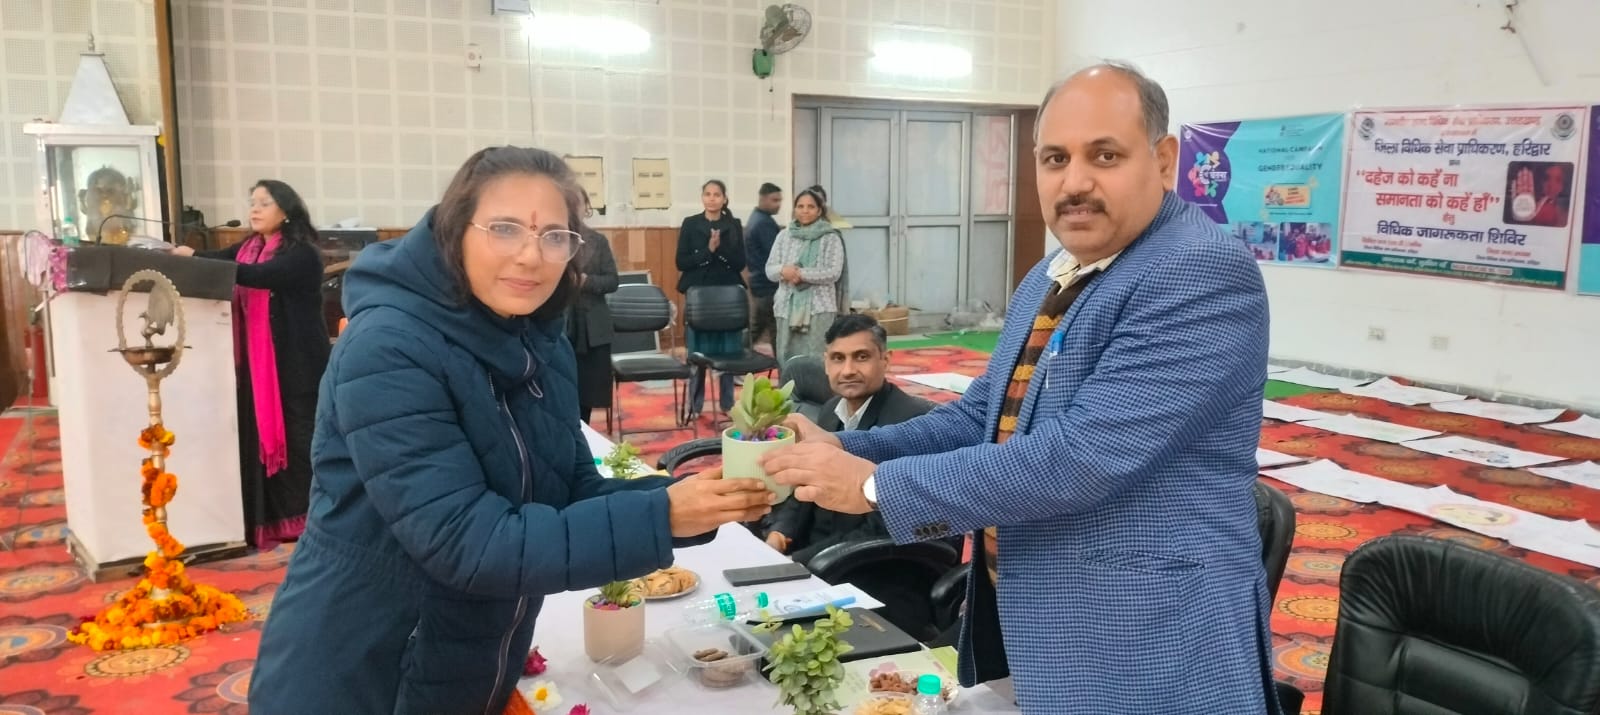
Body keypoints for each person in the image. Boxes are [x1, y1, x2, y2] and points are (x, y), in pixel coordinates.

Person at [760, 62, 1281, 714]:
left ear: (1164, 159)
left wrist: (872, 487)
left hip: (1149, 642)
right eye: (1055, 158)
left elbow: (1080, 457)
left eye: (1105, 155)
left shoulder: (1198, 271)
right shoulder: (1051, 272)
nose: (1075, 181)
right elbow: (982, 415)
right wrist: (845, 447)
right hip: (1038, 619)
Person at [248, 148, 773, 715]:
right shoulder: (388, 348)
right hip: (362, 664)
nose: (530, 256)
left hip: (466, 655)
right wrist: (663, 516)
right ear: (454, 230)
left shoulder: (538, 340)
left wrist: (695, 498)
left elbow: (569, 488)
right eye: (504, 229)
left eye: (554, 236)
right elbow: (469, 543)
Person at [171, 180, 328, 550]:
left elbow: (258, 277)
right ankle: (269, 520)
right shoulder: (249, 248)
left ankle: (312, 519)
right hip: (260, 370)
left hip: (295, 367)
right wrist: (188, 256)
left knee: (299, 443)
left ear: (286, 210)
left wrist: (194, 259)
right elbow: (223, 258)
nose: (254, 209)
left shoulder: (302, 254)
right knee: (257, 440)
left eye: (264, 203)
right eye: (252, 202)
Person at [764, 314, 932, 563]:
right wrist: (780, 534)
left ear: (885, 360)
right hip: (810, 552)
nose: (848, 370)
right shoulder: (830, 409)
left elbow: (880, 529)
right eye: (838, 358)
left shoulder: (910, 423)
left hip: (860, 564)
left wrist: (794, 562)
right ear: (826, 363)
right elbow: (802, 485)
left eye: (861, 357)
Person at [675, 179, 744, 417]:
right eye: (708, 194)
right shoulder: (690, 223)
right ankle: (694, 405)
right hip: (699, 295)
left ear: (724, 199)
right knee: (697, 353)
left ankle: (727, 403)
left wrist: (719, 249)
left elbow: (740, 262)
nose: (712, 198)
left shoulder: (733, 224)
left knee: (728, 351)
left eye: (717, 194)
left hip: (726, 295)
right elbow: (681, 262)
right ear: (702, 197)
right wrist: (708, 252)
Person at [766, 188, 846, 363]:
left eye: (811, 206)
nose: (805, 210)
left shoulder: (830, 238)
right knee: (787, 357)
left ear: (819, 210)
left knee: (817, 359)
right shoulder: (784, 236)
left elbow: (833, 272)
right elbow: (770, 269)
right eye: (800, 206)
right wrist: (783, 271)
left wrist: (799, 274)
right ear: (794, 209)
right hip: (786, 307)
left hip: (819, 308)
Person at [566, 187, 619, 421]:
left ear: (586, 207)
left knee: (587, 393)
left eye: (578, 202)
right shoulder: (552, 239)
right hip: (561, 323)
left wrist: (586, 281)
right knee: (561, 389)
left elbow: (612, 281)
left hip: (592, 327)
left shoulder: (598, 241)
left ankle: (585, 432)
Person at [745, 182, 783, 348]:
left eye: (779, 200)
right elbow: (776, 254)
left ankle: (740, 353)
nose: (778, 204)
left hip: (760, 282)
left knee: (760, 327)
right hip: (767, 284)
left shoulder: (756, 219)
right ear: (763, 199)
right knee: (774, 330)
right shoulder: (764, 224)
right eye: (774, 200)